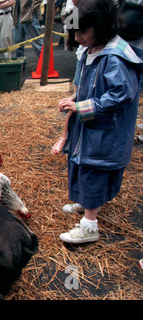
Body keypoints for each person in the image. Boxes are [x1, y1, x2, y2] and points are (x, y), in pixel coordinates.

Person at [57, 0, 143, 244]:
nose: (78, 37)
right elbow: (90, 86)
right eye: (75, 32)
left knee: (92, 170)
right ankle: (87, 205)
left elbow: (121, 94)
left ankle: (89, 225)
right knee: (82, 166)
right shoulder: (92, 49)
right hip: (92, 126)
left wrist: (81, 106)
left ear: (101, 25)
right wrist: (75, 97)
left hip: (106, 130)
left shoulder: (114, 57)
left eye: (83, 31)